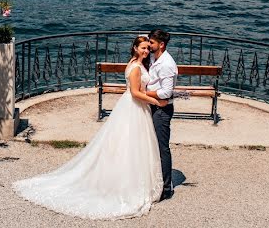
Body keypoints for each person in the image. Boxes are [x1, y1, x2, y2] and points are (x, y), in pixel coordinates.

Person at [13, 36, 166, 220]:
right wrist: (156, 101)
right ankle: (124, 184)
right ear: (134, 48)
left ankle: (130, 181)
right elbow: (135, 93)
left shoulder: (136, 64)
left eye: (147, 49)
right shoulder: (135, 67)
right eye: (142, 48)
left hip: (136, 108)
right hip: (134, 106)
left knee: (130, 146)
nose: (146, 51)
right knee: (129, 145)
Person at [146, 28, 179, 200]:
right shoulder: (154, 57)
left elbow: (166, 92)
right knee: (151, 145)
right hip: (153, 106)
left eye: (151, 42)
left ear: (161, 44)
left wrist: (142, 92)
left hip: (162, 110)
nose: (149, 45)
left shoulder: (166, 64)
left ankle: (166, 189)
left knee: (162, 147)